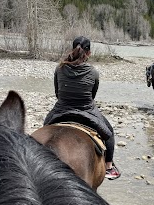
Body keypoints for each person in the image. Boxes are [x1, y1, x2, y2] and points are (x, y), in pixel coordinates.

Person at [44, 36, 120, 180]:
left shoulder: (59, 68)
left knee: (45, 127)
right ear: (89, 53)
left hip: (61, 109)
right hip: (86, 111)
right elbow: (92, 96)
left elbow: (57, 93)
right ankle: (109, 167)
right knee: (109, 133)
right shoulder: (93, 72)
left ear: (72, 49)